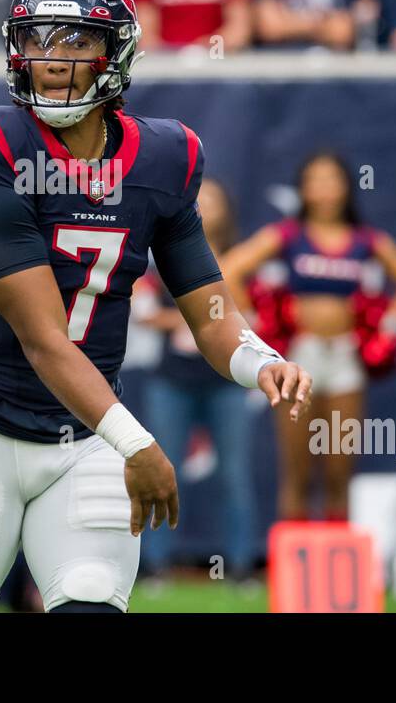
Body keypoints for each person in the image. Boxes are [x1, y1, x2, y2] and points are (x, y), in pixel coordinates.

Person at [0, 0, 313, 613]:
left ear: (117, 52)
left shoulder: (164, 158)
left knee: (90, 602)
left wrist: (261, 361)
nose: (52, 60)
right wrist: (136, 443)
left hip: (85, 437)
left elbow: (208, 305)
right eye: (37, 40)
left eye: (76, 39)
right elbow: (43, 340)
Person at [222, 151, 396, 521]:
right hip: (300, 355)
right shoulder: (288, 234)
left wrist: (390, 322)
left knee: (338, 470)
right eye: (315, 180)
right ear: (303, 189)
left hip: (346, 358)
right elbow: (231, 269)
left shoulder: (364, 239)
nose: (324, 189)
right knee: (297, 470)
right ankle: (294, 571)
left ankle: (338, 568)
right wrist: (256, 325)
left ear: (347, 187)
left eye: (332, 180)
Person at [134, 179, 258, 582]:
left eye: (214, 200)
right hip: (172, 379)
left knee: (235, 474)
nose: (205, 205)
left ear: (228, 212)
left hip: (227, 381)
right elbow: (144, 312)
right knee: (159, 469)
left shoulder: (240, 262)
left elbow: (254, 316)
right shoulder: (161, 256)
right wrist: (201, 318)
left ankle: (240, 566)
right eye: (198, 198)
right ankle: (154, 567)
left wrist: (207, 318)